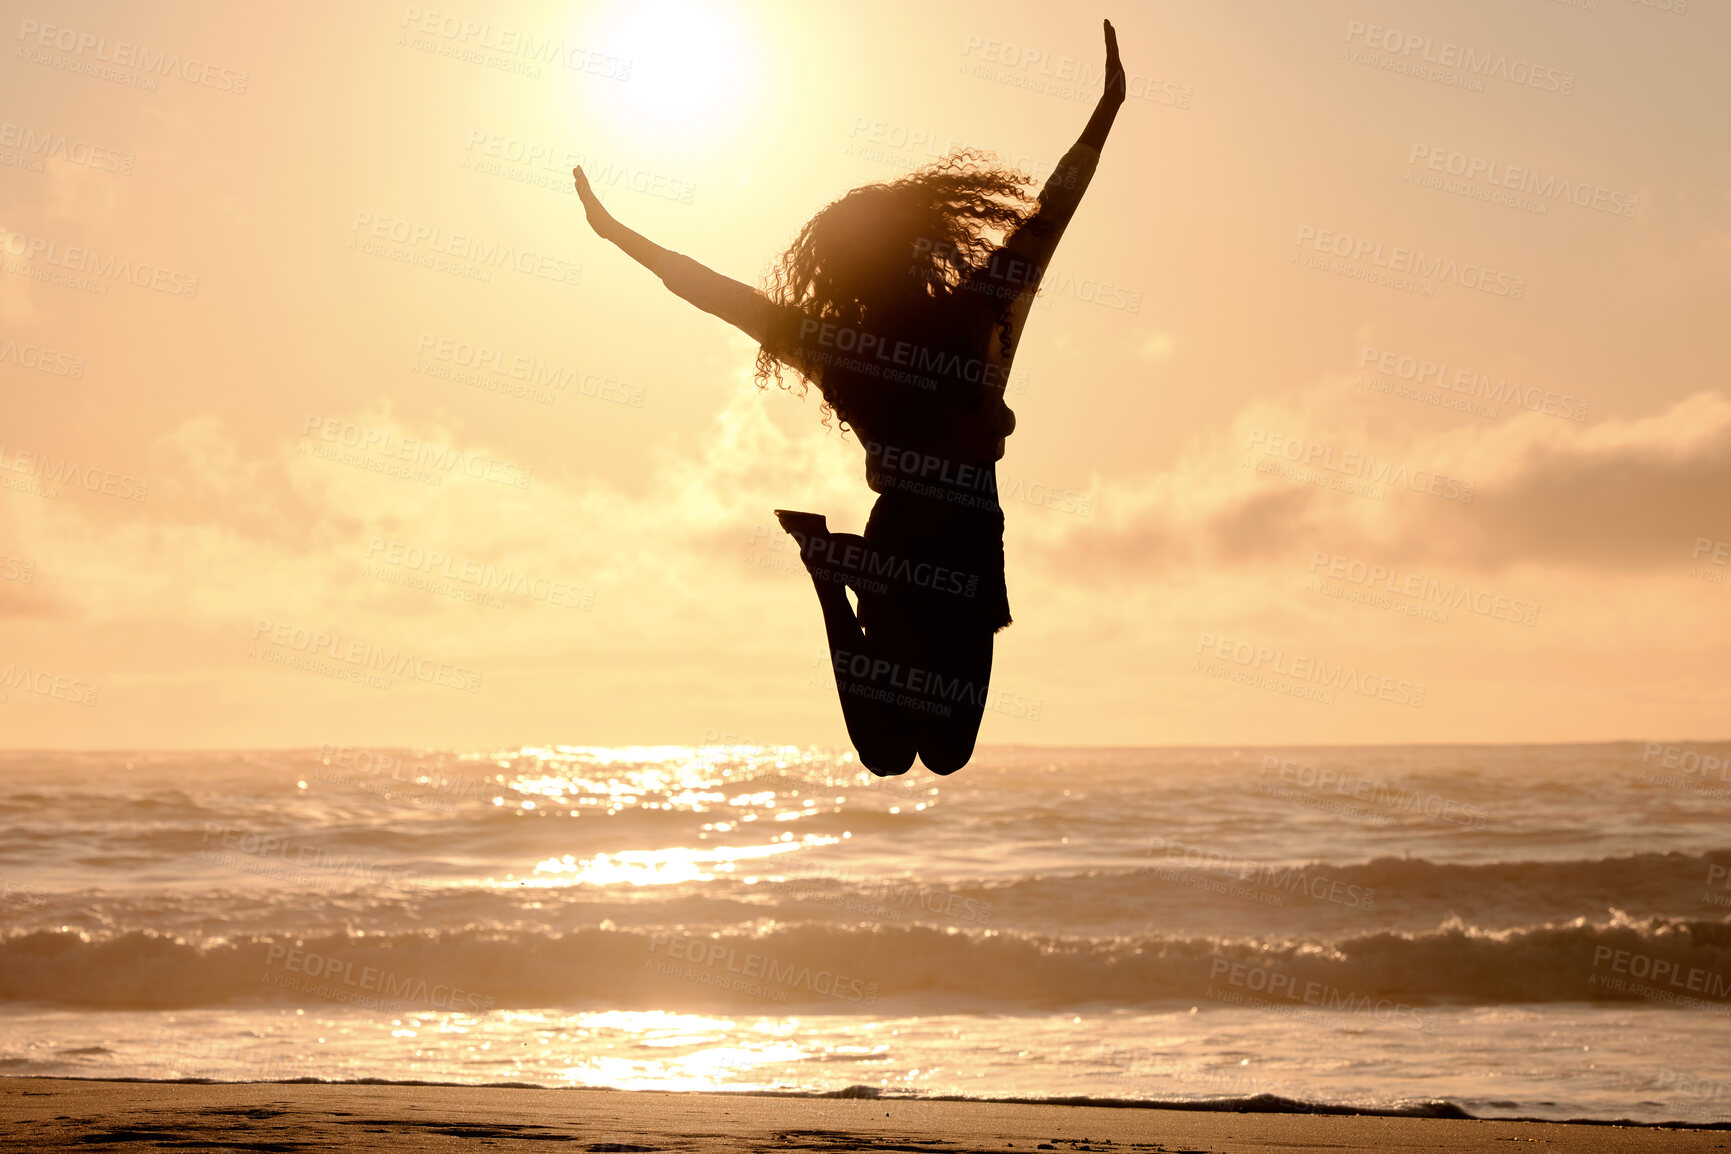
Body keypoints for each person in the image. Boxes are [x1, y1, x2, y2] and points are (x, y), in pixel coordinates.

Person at [574, 20, 1125, 776]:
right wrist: (1105, 111)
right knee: (933, 754)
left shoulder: (857, 347)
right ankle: (832, 577)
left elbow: (718, 295)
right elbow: (1049, 215)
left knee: (897, 755)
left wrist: (618, 235)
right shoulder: (978, 319)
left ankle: (833, 576)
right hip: (957, 552)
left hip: (902, 549)